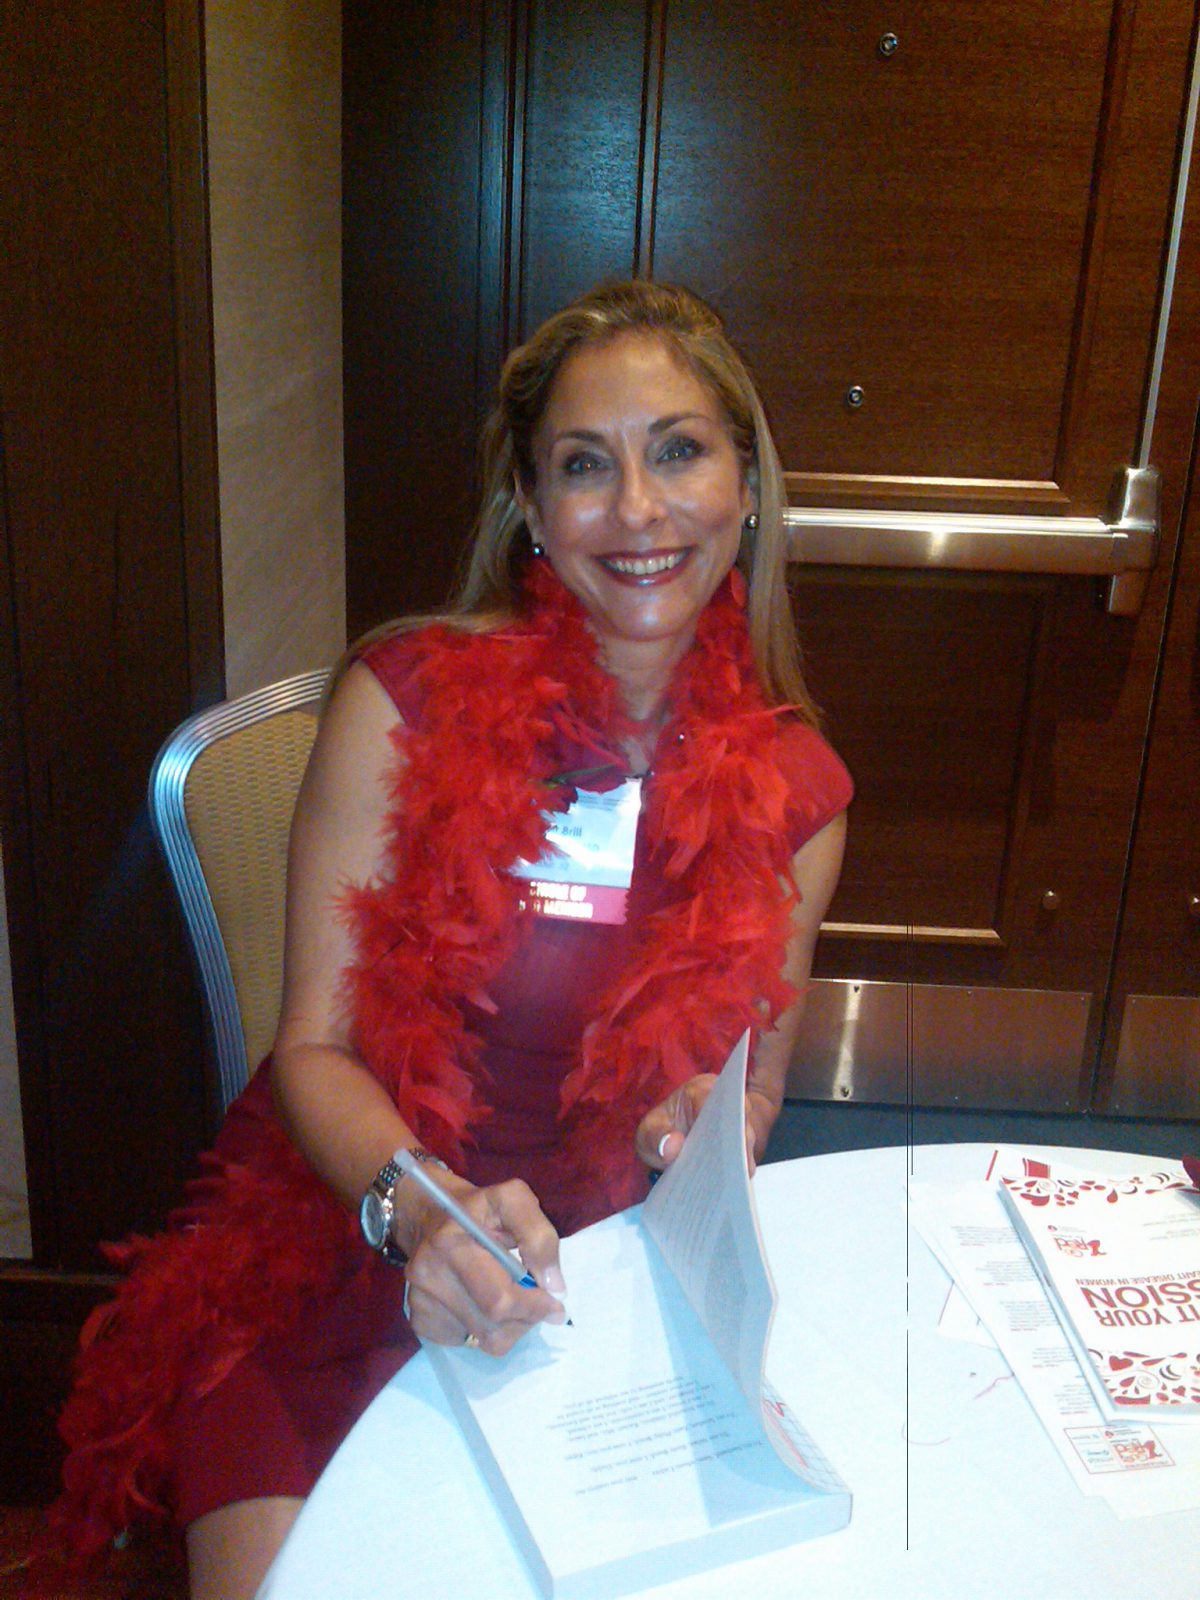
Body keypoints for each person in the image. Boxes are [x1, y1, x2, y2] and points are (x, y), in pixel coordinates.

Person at [46, 279, 852, 1598]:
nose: (639, 511)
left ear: (747, 488)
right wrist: (420, 1217)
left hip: (581, 1288)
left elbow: (748, 1098)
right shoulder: (407, 704)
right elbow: (310, 1047)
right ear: (532, 508)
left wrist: (703, 1123)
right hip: (327, 1244)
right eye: (586, 466)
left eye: (681, 452)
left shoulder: (801, 800)